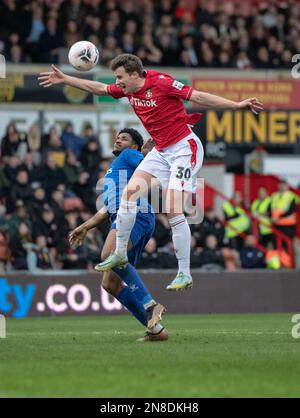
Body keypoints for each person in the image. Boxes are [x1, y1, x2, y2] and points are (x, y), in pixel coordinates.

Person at [38, 53, 263, 291]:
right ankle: (120, 254)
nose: (118, 81)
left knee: (173, 206)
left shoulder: (162, 82)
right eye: (117, 77)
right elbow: (100, 88)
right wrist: (65, 79)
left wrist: (236, 105)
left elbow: (197, 96)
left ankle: (184, 273)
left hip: (184, 149)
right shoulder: (129, 89)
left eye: (120, 76)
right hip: (161, 151)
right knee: (128, 195)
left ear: (135, 74)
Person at [69, 128, 167, 342]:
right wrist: (85, 227)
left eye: (124, 138)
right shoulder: (117, 172)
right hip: (131, 217)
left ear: (134, 147)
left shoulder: (128, 155)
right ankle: (155, 330)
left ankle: (150, 305)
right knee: (110, 284)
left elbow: (151, 163)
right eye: (118, 137)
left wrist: (148, 152)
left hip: (135, 215)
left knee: (108, 254)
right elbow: (105, 210)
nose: (118, 139)